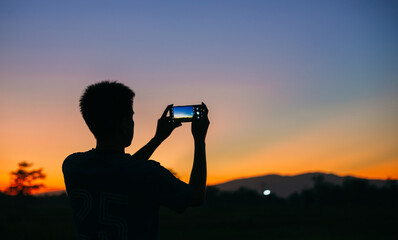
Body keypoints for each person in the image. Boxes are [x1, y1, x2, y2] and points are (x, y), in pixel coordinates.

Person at [62, 81, 209, 240]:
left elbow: (122, 171)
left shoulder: (73, 165)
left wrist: (157, 139)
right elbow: (195, 197)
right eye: (131, 117)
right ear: (125, 124)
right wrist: (199, 139)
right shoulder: (149, 173)